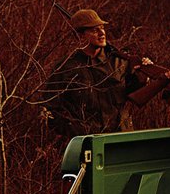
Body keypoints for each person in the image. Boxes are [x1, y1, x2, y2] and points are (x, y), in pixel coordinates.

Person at [42, 8, 153, 138]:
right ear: (80, 36)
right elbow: (50, 108)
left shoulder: (119, 62)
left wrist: (142, 76)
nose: (102, 33)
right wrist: (74, 132)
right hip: (87, 141)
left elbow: (131, 94)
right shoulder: (65, 68)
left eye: (102, 28)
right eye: (95, 30)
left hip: (122, 137)